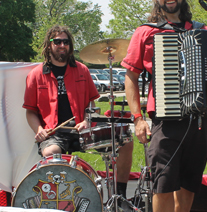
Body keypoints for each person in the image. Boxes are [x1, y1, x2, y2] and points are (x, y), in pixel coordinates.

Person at [121, 0, 207, 212]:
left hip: (198, 119)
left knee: (190, 180)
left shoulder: (199, 30)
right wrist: (137, 117)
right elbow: (131, 76)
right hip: (165, 119)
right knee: (163, 182)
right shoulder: (146, 32)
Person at [23, 25, 134, 199]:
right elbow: (30, 111)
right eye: (57, 41)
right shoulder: (36, 75)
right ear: (48, 45)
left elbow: (91, 103)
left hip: (82, 130)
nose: (62, 45)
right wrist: (38, 130)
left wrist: (87, 120)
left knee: (125, 142)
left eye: (65, 42)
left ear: (70, 45)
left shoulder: (82, 70)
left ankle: (119, 196)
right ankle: (62, 200)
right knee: (50, 153)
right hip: (55, 133)